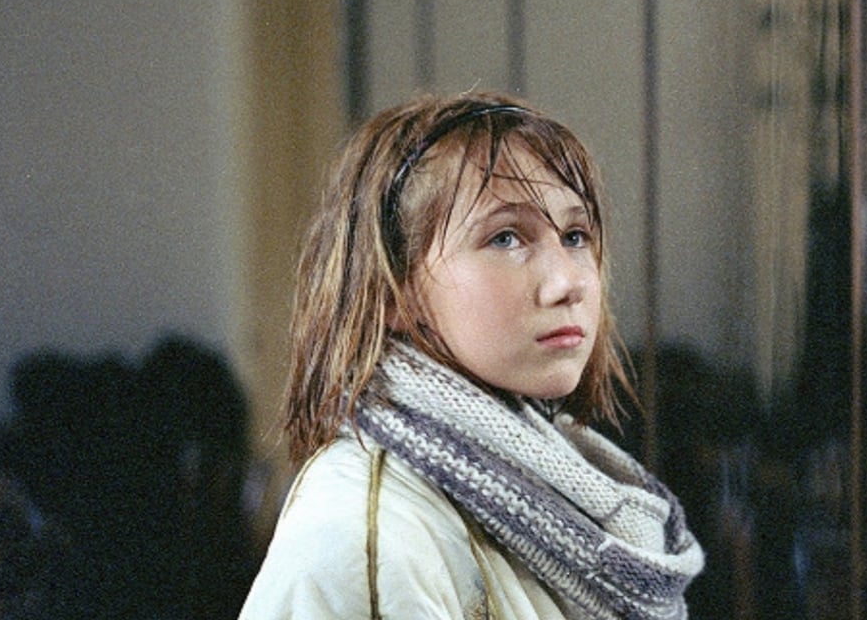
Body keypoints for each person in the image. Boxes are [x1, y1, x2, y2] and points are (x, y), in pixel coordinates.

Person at [238, 92, 704, 619]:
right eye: (505, 238)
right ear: (394, 293)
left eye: (575, 236)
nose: (567, 283)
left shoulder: (544, 488)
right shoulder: (362, 538)